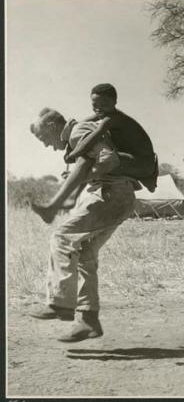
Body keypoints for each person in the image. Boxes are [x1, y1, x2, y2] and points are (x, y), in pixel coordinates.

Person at [28, 107, 141, 342]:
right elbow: (88, 167)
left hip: (111, 195)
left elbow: (108, 160)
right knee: (85, 251)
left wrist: (57, 202)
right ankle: (89, 320)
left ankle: (60, 303)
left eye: (43, 138)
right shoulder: (79, 136)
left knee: (61, 238)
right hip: (119, 196)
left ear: (52, 127)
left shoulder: (78, 131)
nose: (46, 145)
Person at [64, 83, 158, 192]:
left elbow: (88, 142)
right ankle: (82, 176)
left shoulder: (112, 118)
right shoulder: (103, 114)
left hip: (143, 164)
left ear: (114, 102)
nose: (98, 109)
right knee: (99, 151)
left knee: (104, 157)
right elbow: (78, 125)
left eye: (104, 104)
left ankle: (79, 178)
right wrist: (69, 142)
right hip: (134, 160)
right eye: (95, 105)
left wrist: (71, 155)